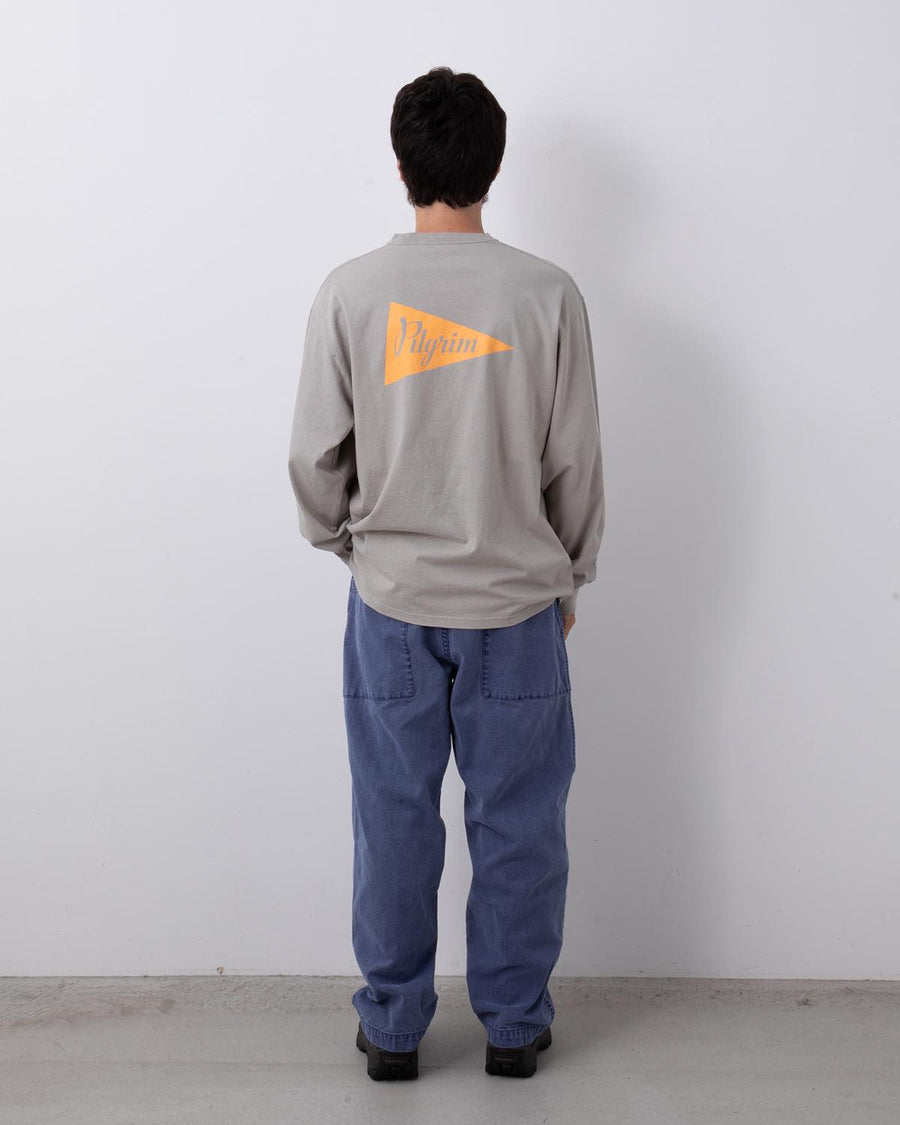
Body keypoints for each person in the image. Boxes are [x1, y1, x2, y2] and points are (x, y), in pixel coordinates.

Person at [287, 65, 605, 1081]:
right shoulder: (547, 294)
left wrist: (352, 546)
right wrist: (567, 576)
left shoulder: (351, 292)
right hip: (516, 607)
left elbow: (314, 460)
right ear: (493, 168)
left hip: (391, 605)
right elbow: (574, 461)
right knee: (520, 823)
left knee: (392, 818)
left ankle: (393, 1028)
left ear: (400, 167)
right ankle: (513, 1028)